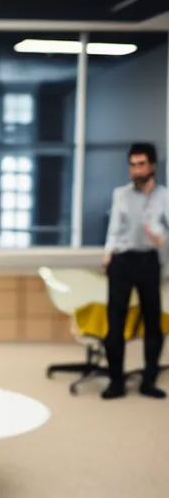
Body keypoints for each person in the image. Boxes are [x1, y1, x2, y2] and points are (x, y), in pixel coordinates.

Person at [102, 142, 167, 400]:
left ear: (151, 166)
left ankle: (148, 381)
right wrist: (107, 254)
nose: (136, 169)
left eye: (141, 164)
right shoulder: (121, 194)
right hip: (122, 261)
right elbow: (114, 229)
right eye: (132, 164)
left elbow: (163, 233)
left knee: (153, 323)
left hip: (149, 261)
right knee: (115, 323)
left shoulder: (164, 196)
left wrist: (159, 232)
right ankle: (116, 381)